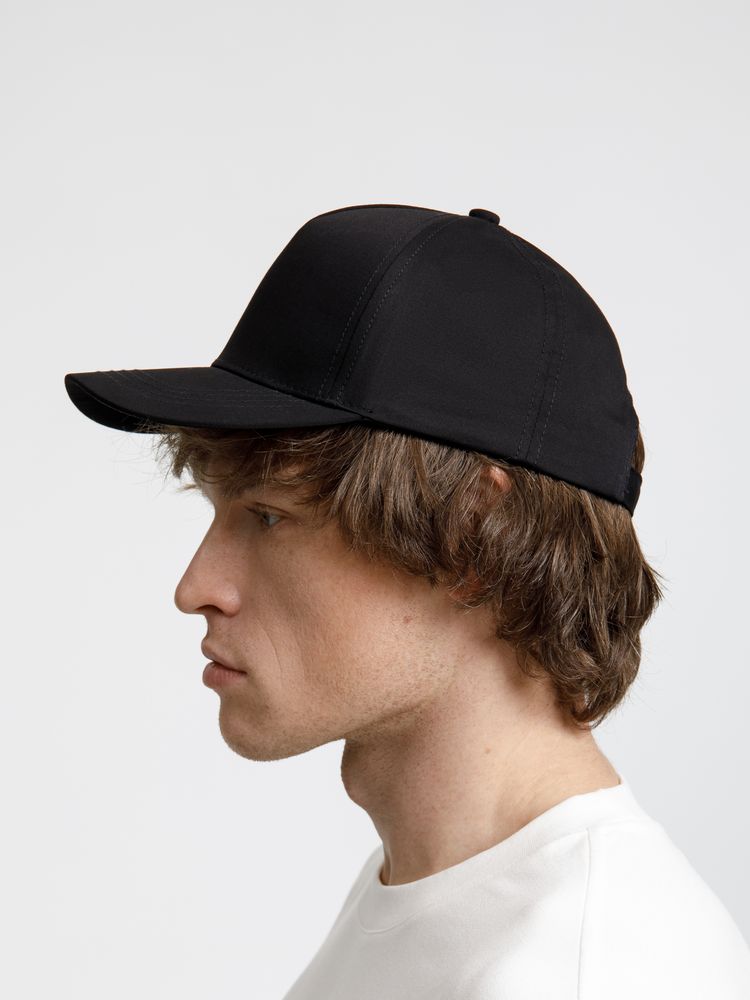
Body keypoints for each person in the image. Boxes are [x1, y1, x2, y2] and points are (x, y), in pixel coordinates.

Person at [64, 203, 750, 999]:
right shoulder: (436, 893)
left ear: (475, 536)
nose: (196, 589)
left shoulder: (585, 972)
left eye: (269, 517)